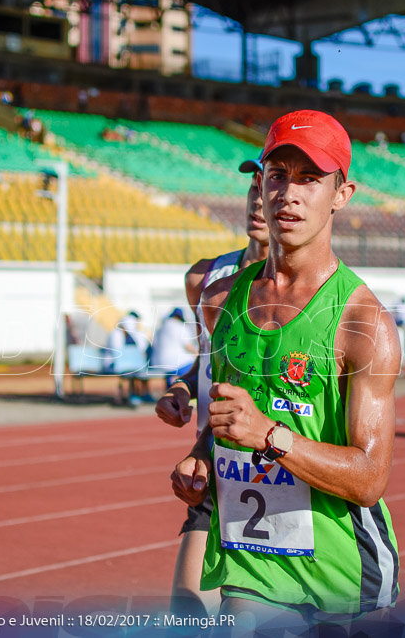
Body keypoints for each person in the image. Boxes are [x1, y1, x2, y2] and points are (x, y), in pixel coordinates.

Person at [171, 110, 401, 631]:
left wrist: (269, 436)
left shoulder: (364, 322)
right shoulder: (218, 299)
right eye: (277, 176)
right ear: (260, 184)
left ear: (342, 194)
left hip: (342, 579)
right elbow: (229, 418)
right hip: (250, 569)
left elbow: (370, 479)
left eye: (310, 179)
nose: (288, 194)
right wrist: (200, 457)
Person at [155, 157, 270, 617]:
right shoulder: (204, 279)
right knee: (187, 615)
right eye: (253, 190)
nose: (259, 202)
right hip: (217, 470)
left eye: (271, 190)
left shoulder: (316, 290)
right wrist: (182, 389)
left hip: (286, 472)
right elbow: (208, 360)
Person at [104, 311, 150, 405]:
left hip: (131, 365)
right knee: (132, 371)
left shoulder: (134, 335)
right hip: (114, 364)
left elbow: (141, 348)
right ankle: (129, 395)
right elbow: (117, 354)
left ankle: (140, 394)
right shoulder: (115, 334)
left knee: (139, 370)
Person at [150, 307, 198, 388]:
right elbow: (188, 346)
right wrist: (199, 354)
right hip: (176, 364)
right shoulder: (180, 326)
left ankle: (172, 384)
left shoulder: (160, 327)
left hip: (157, 363)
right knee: (196, 366)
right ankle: (183, 387)